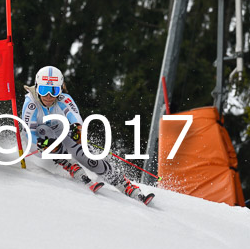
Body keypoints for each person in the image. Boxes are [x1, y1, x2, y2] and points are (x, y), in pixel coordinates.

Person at [21, 66, 153, 204]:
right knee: (44, 130)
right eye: (43, 90)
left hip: (59, 132)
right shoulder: (31, 104)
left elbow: (75, 117)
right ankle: (69, 164)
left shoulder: (64, 99)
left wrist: (78, 130)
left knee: (89, 157)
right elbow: (29, 133)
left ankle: (124, 184)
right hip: (35, 142)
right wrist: (43, 144)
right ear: (36, 88)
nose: (48, 96)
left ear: (60, 90)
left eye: (54, 90)